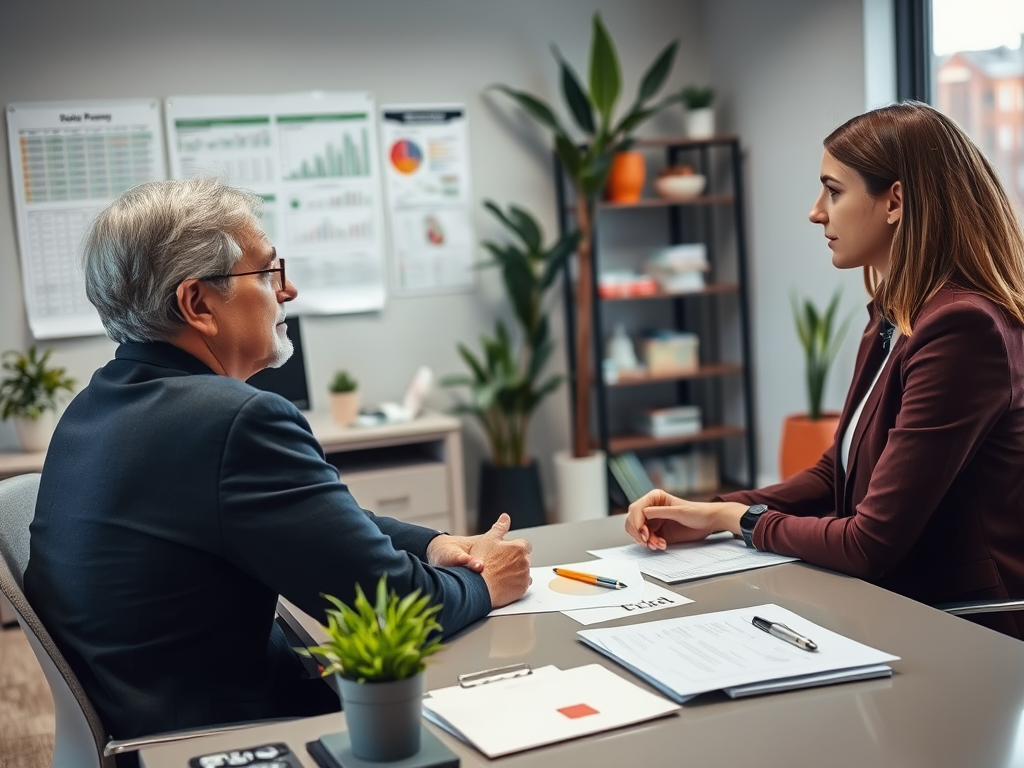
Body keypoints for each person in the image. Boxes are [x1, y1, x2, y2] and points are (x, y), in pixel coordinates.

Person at [24, 177, 533, 753]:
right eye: (267, 273)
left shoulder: (98, 404)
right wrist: (483, 581)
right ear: (197, 304)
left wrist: (434, 542)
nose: (287, 290)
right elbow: (391, 608)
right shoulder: (233, 419)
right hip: (222, 740)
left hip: (144, 718)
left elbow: (318, 516)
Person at [625, 101, 1024, 639]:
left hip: (967, 625)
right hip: (898, 603)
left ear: (895, 202)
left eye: (833, 191)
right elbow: (834, 474)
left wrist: (734, 522)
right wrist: (707, 508)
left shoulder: (961, 329)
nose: (817, 212)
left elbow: (869, 543)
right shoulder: (895, 312)